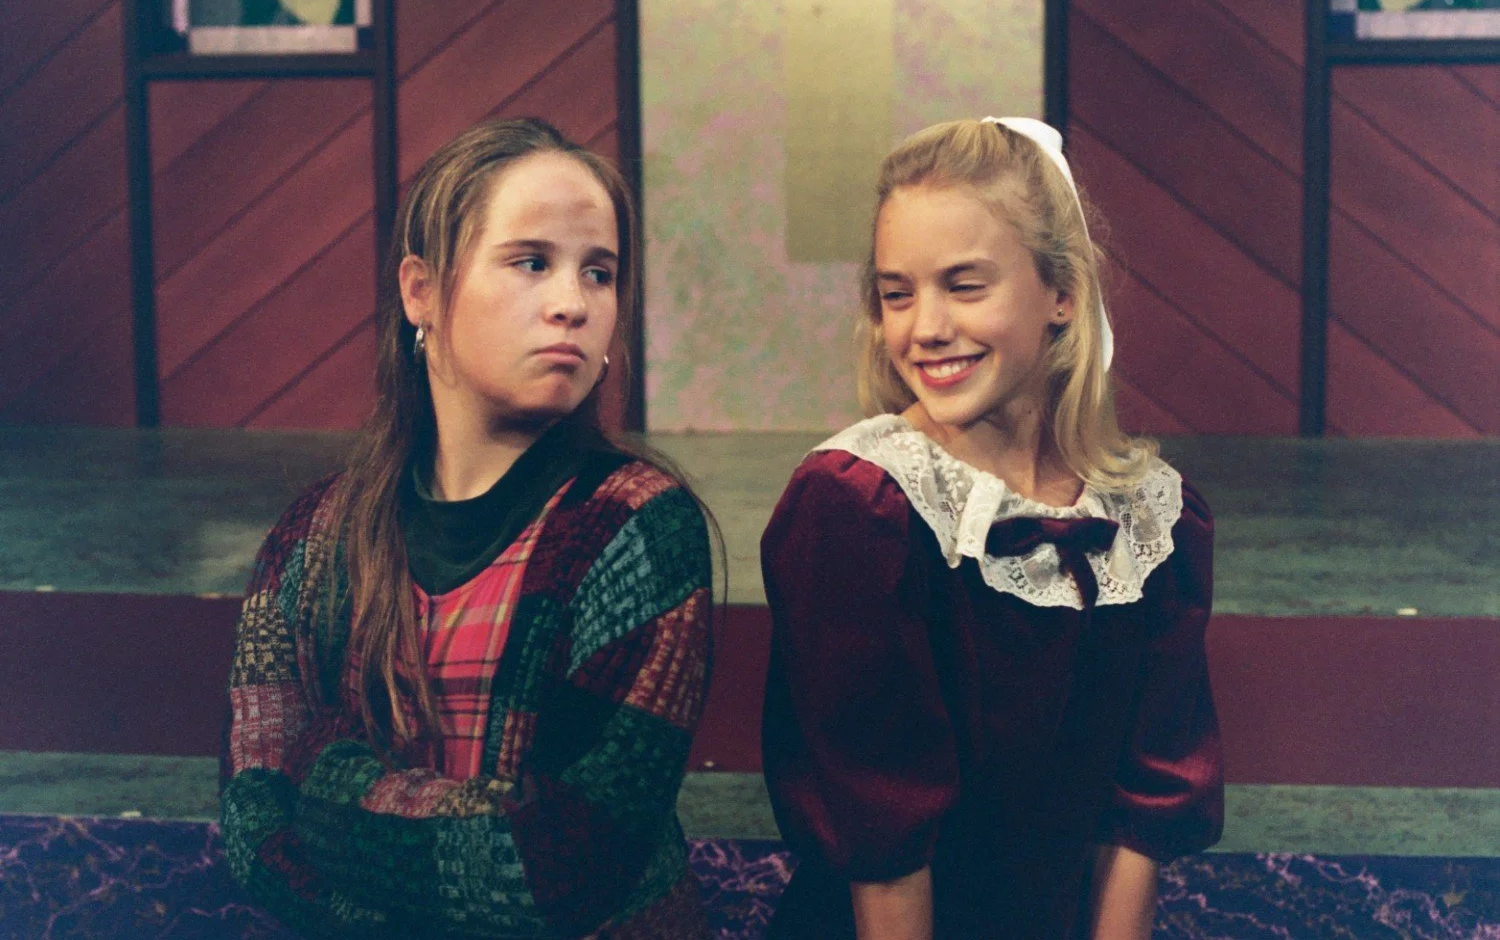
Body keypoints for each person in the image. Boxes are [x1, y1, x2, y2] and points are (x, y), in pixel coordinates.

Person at [220, 118, 714, 939]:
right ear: (422, 290)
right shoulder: (315, 540)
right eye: (531, 263)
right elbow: (253, 836)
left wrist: (329, 777)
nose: (572, 303)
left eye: (600, 273)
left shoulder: (636, 528)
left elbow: (558, 865)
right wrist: (451, 837)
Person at [760, 117, 1223, 940]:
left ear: (1061, 293)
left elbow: (1143, 809)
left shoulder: (1155, 518)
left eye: (964, 285)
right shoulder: (861, 508)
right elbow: (882, 827)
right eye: (897, 293)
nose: (924, 327)